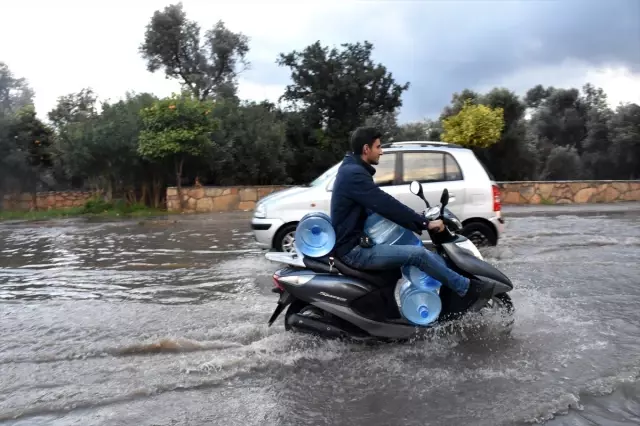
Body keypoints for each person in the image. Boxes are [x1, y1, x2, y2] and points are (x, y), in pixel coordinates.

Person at [330, 126, 494, 308]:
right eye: (378, 147)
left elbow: (378, 206)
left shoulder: (352, 169)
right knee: (418, 254)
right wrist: (425, 223)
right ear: (366, 149)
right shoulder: (354, 174)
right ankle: (466, 289)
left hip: (359, 242)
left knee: (408, 249)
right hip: (354, 251)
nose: (381, 152)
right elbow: (385, 203)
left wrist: (417, 218)